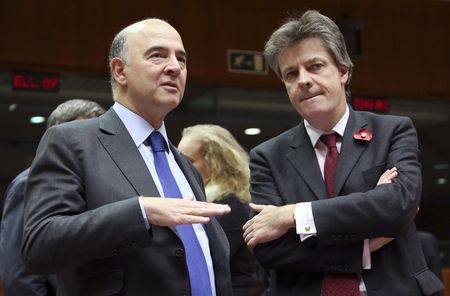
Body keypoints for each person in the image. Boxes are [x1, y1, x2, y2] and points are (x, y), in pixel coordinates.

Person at [22, 19, 232, 296]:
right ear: (120, 70)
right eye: (157, 55)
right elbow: (40, 243)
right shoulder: (72, 141)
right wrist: (141, 212)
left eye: (181, 59)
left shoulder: (184, 165)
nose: (174, 67)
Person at [242, 10, 444, 296]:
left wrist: (293, 215)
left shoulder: (392, 132)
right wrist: (364, 245)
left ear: (344, 71)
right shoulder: (267, 156)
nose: (303, 80)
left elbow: (398, 206)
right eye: (291, 73)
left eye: (315, 66)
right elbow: (270, 250)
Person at [0, 99, 106, 296]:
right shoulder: (28, 182)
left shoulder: (98, 183)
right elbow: (18, 276)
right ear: (58, 137)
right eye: (86, 136)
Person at [178, 124, 266, 296]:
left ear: (215, 162)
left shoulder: (230, 207)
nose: (181, 167)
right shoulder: (208, 201)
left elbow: (200, 260)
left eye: (189, 161)